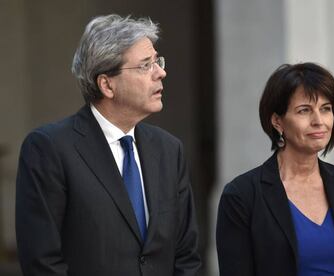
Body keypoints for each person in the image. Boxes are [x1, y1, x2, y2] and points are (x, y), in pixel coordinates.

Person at [16, 14, 201, 276]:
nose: (161, 72)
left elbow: (186, 255)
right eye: (145, 65)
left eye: (157, 61)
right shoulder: (49, 149)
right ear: (107, 84)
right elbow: (42, 262)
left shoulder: (169, 150)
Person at [216, 63, 334, 275]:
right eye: (304, 110)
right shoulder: (242, 196)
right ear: (277, 121)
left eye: (326, 109)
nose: (318, 121)